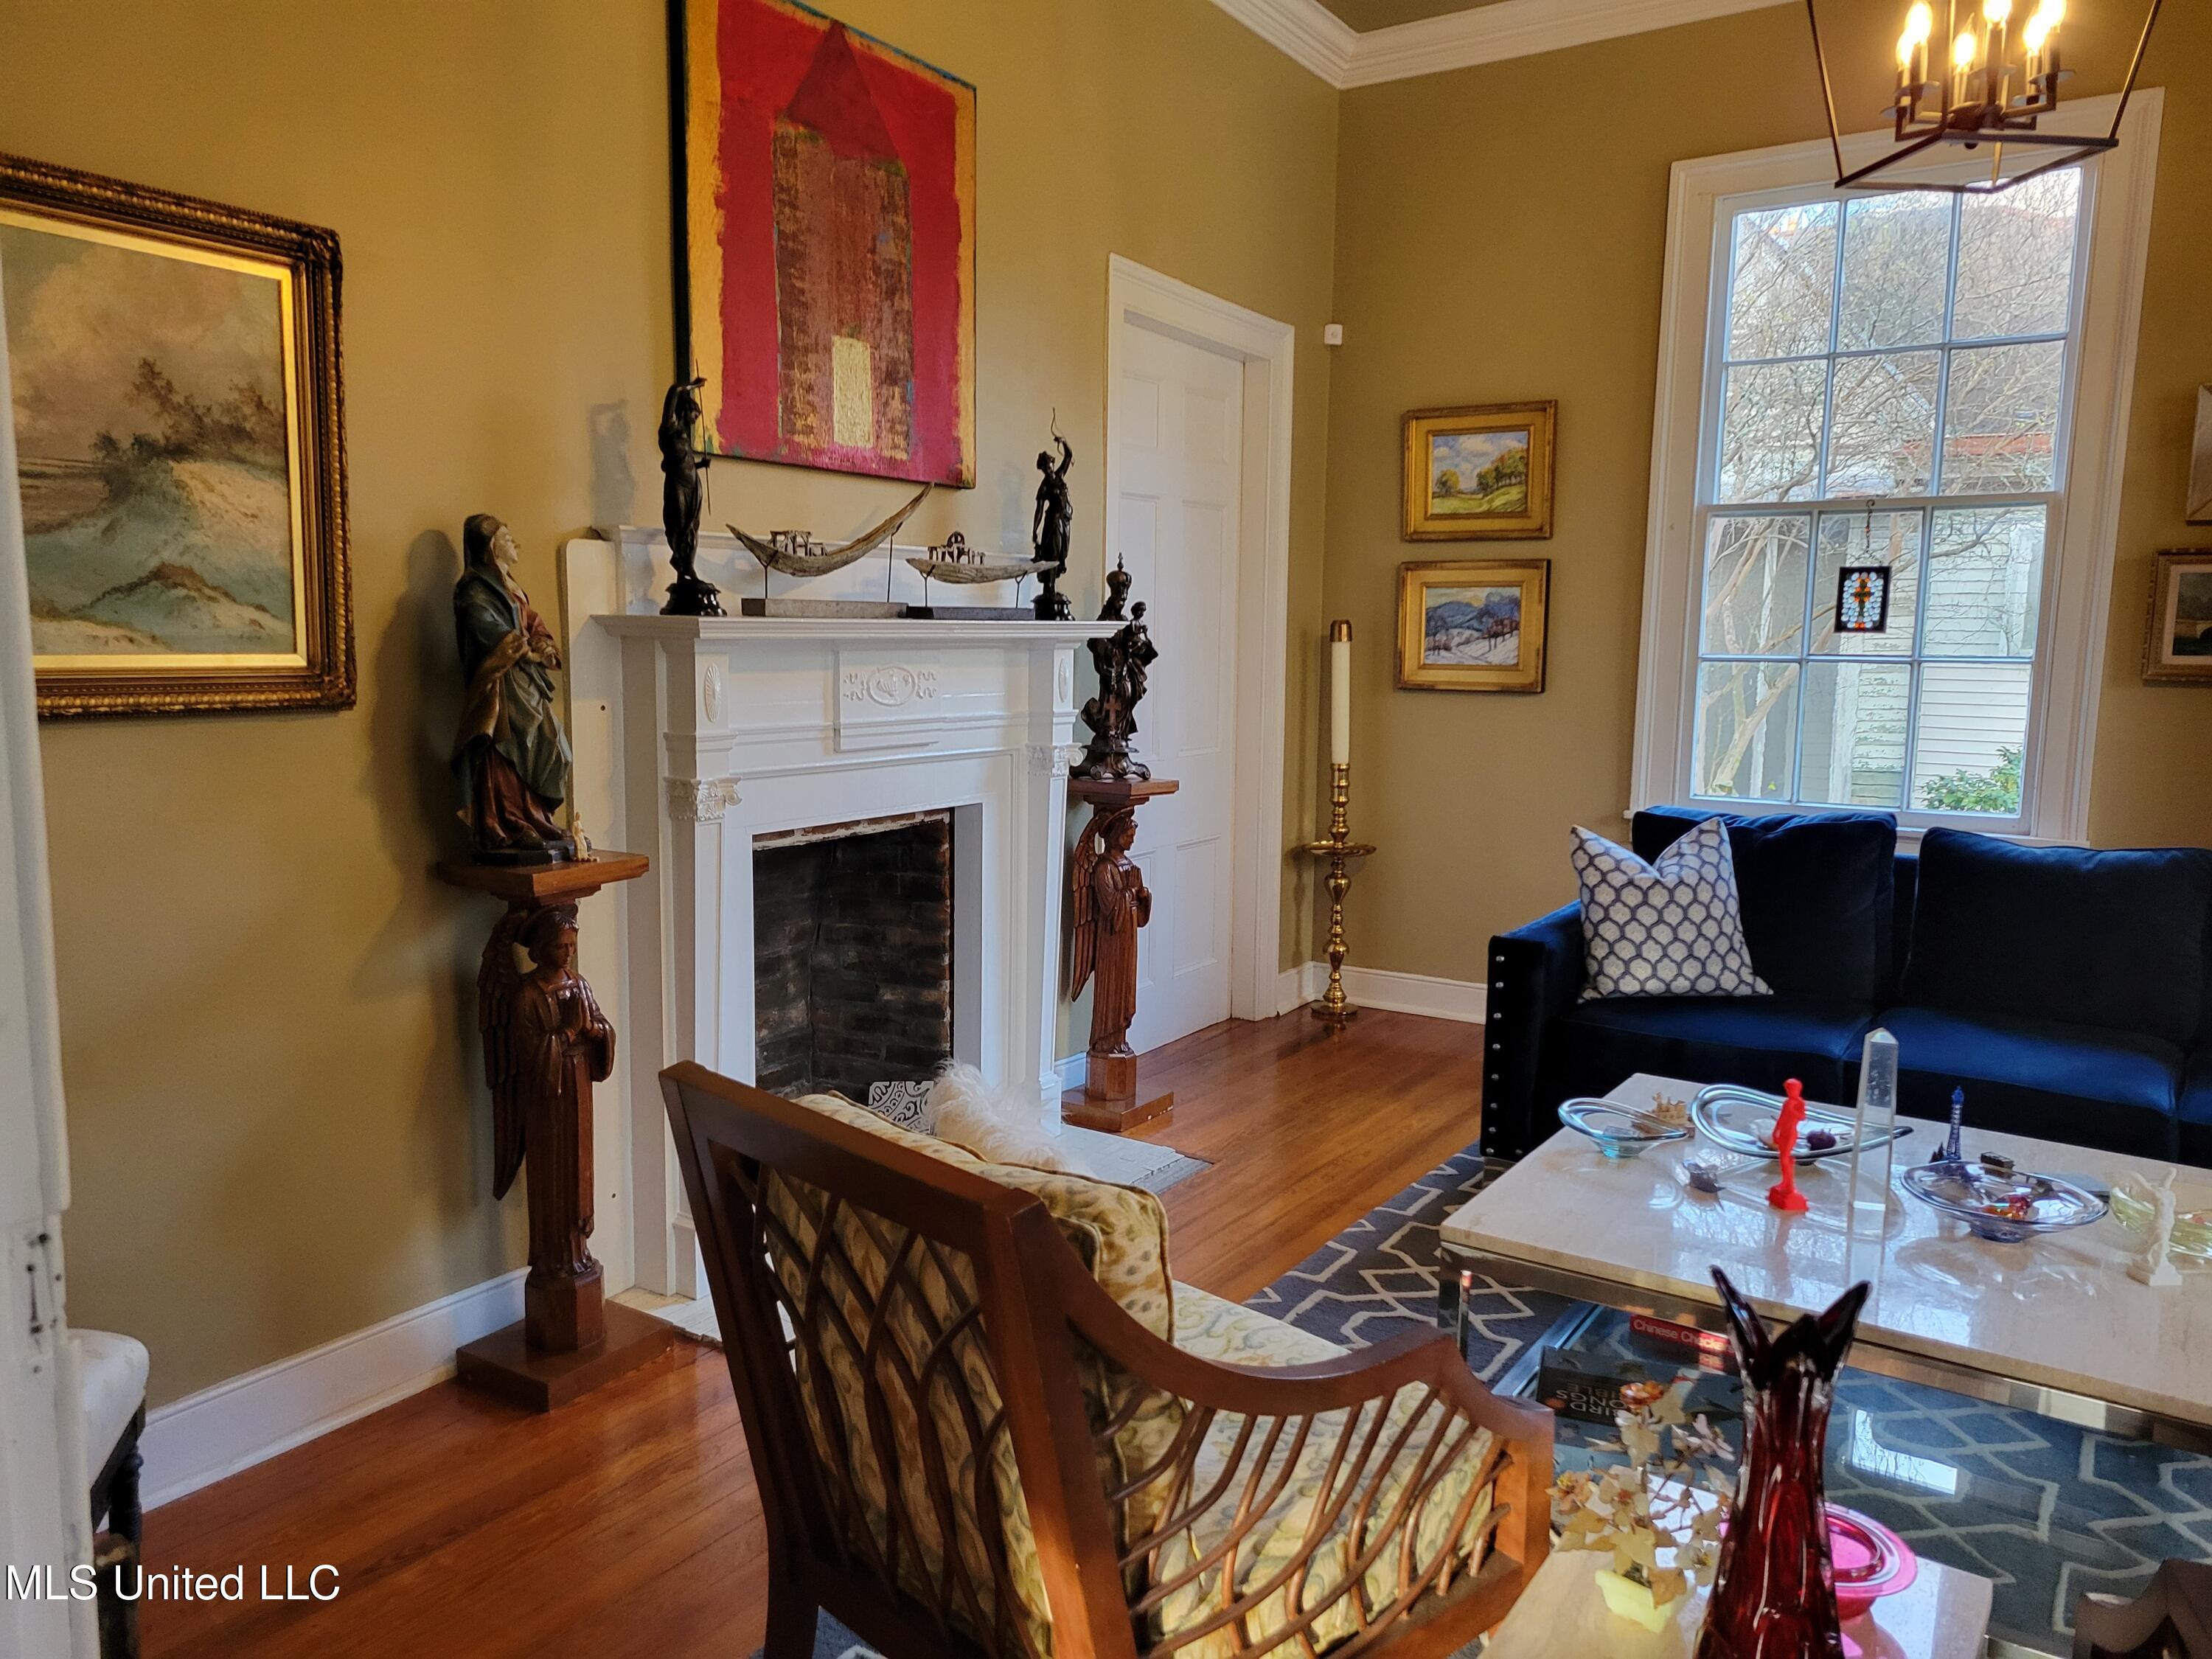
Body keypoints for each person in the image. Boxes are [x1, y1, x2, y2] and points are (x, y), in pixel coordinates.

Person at [451, 514, 573, 861]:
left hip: (525, 677)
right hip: (502, 681)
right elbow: (481, 623)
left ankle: (537, 816)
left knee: (552, 744)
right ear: (491, 548)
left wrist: (543, 643)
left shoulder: (509, 584)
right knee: (507, 747)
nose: (514, 544)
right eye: (507, 539)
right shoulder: (474, 589)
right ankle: (510, 822)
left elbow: (530, 619)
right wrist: (523, 645)